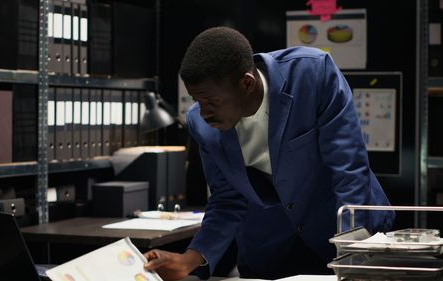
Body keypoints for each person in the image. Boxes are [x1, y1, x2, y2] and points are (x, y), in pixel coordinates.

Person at [143, 26, 395, 280]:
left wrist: (353, 251)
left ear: (246, 84)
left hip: (343, 235)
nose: (204, 112)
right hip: (268, 250)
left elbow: (348, 170)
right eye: (197, 100)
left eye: (212, 101)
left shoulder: (313, 74)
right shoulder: (201, 123)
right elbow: (227, 199)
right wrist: (189, 259)